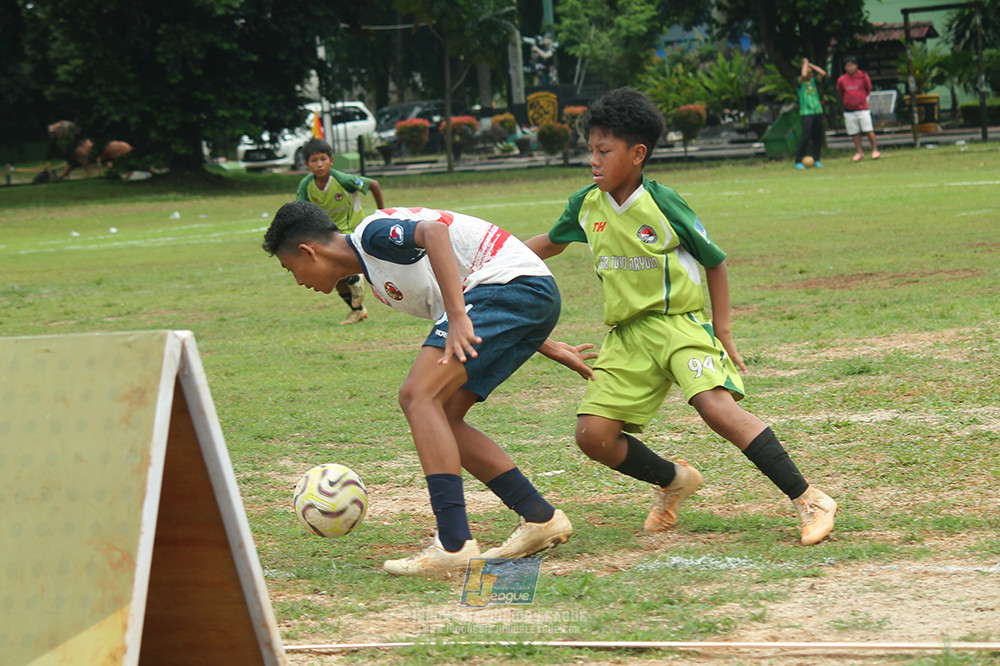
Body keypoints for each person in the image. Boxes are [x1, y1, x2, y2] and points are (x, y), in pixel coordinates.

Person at [524, 87, 837, 547]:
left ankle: (809, 498)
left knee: (717, 408)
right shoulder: (586, 204)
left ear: (637, 154)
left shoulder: (664, 204)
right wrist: (498, 261)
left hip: (679, 325)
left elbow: (714, 260)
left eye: (603, 151)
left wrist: (723, 329)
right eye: (590, 150)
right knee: (593, 436)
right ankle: (674, 480)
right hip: (627, 336)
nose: (593, 160)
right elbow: (550, 242)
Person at [262, 201, 597, 575]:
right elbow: (463, 290)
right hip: (519, 295)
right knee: (444, 415)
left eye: (291, 269)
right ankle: (540, 517)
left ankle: (454, 543)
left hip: (512, 289)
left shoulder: (372, 235)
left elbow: (435, 233)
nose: (299, 282)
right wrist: (546, 344)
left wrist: (457, 315)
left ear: (309, 251)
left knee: (417, 395)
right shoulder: (379, 277)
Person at [296, 138, 386, 324]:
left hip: (350, 230)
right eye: (314, 161)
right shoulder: (306, 185)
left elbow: (374, 185)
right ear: (306, 164)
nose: (319, 164)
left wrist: (382, 213)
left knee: (337, 268)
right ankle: (358, 309)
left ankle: (356, 275)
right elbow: (300, 208)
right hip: (327, 234)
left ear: (331, 161)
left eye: (323, 159)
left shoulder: (342, 180)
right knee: (331, 275)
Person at [836, 56, 880, 162]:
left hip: (862, 109)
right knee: (854, 132)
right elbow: (840, 92)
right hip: (849, 110)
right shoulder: (842, 79)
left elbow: (868, 89)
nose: (850, 68)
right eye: (847, 66)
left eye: (852, 65)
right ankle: (860, 152)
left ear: (856, 66)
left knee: (868, 130)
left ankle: (875, 150)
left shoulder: (863, 76)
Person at [794, 57, 827, 170]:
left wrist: (811, 65)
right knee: (805, 136)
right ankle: (798, 160)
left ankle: (816, 158)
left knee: (817, 136)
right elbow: (803, 75)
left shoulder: (814, 81)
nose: (811, 73)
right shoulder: (799, 83)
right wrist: (805, 64)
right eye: (809, 71)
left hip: (817, 111)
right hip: (806, 113)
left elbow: (823, 73)